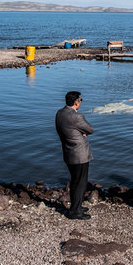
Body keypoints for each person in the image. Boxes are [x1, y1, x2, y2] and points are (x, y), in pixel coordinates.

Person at [55, 91, 95, 220]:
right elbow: (90, 129)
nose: (81, 101)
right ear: (76, 102)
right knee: (80, 183)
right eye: (80, 100)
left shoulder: (60, 113)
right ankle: (75, 211)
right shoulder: (76, 117)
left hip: (68, 152)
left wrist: (78, 132)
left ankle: (77, 206)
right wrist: (82, 133)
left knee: (75, 181)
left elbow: (66, 130)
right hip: (80, 154)